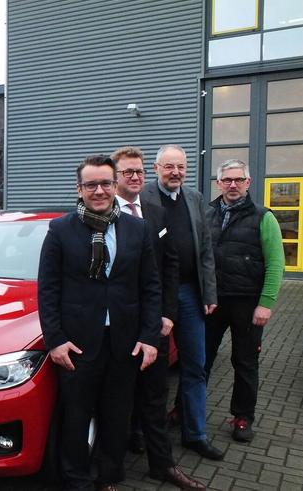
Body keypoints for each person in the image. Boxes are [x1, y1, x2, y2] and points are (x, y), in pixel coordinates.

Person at [38, 155, 160, 491]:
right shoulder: (61, 229)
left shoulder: (138, 229)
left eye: (106, 183)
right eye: (91, 184)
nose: (99, 190)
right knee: (75, 417)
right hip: (77, 344)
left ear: (115, 185)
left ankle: (109, 477)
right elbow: (48, 288)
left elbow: (151, 286)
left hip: (125, 341)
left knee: (117, 416)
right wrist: (55, 340)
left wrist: (150, 337)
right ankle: (76, 480)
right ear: (79, 189)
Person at [113, 147, 205, 490]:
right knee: (116, 400)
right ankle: (109, 472)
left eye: (138, 171)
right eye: (128, 172)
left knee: (155, 396)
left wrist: (168, 314)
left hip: (154, 324)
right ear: (114, 177)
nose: (135, 177)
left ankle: (162, 466)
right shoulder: (101, 213)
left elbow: (170, 265)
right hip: (117, 325)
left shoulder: (155, 212)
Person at [140, 144, 223, 460]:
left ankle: (195, 434)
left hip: (189, 292)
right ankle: (144, 433)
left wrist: (210, 293)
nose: (176, 172)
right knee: (150, 369)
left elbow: (205, 250)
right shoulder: (143, 197)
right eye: (169, 166)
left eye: (181, 167)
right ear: (156, 168)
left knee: (195, 365)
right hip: (153, 295)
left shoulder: (194, 198)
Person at [205, 159, 284, 443]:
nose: (233, 185)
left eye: (239, 179)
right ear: (219, 183)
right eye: (227, 180)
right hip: (213, 301)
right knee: (201, 359)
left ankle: (242, 417)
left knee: (245, 362)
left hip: (248, 303)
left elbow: (276, 263)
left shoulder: (264, 217)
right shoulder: (207, 214)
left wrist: (266, 303)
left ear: (248, 183)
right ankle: (185, 408)